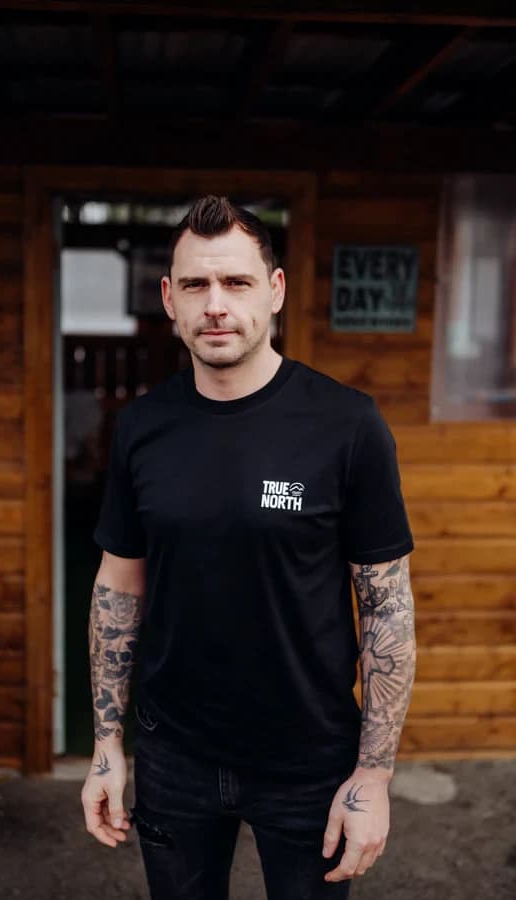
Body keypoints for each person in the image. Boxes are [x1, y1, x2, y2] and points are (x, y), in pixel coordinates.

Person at [81, 196, 416, 899]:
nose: (215, 305)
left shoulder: (347, 425)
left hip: (308, 760)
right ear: (169, 298)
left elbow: (386, 610)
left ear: (275, 289)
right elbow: (118, 587)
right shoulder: (142, 427)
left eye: (236, 282)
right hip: (175, 755)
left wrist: (374, 774)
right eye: (195, 284)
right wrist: (107, 744)